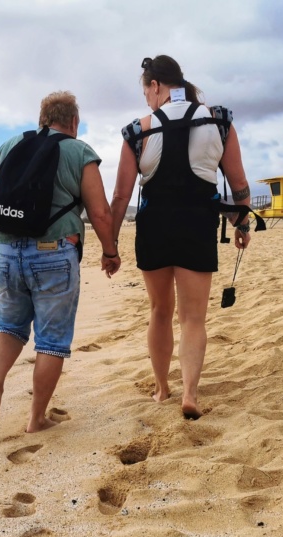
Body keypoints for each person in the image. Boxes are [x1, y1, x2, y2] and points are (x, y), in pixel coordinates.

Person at [109, 55, 255, 419]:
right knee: (193, 318)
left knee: (160, 311)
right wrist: (241, 224)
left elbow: (120, 197)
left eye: (146, 91)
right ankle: (190, 393)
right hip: (197, 225)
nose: (146, 99)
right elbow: (239, 185)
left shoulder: (138, 131)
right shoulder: (218, 122)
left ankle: (162, 389)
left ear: (155, 85)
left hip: (155, 227)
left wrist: (110, 244)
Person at [0, 91, 119, 434]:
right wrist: (110, 252)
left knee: (9, 325)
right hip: (53, 253)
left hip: (3, 252)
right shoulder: (79, 152)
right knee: (52, 340)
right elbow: (99, 212)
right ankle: (36, 419)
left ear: (42, 119)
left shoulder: (9, 146)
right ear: (74, 122)